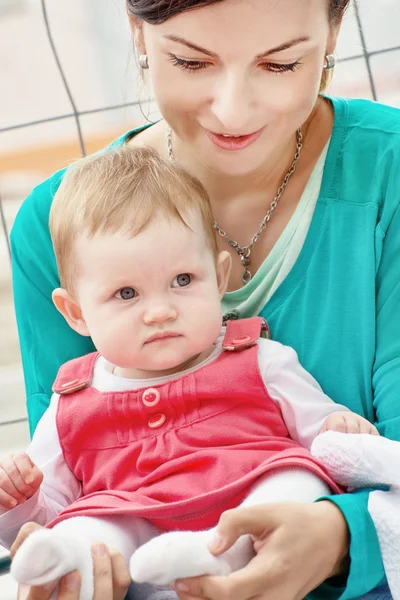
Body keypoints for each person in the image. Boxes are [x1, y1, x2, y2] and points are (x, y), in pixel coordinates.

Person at [9, 0, 400, 598]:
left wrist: (341, 537)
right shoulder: (55, 227)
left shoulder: (387, 176)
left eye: (281, 64)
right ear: (137, 30)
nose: (233, 110)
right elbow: (73, 488)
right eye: (192, 62)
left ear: (333, 32)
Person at [1, 146, 376, 600]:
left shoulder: (257, 357)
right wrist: (19, 503)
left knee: (297, 481)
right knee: (87, 525)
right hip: (135, 522)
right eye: (126, 293)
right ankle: (66, 562)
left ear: (219, 279)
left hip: (250, 494)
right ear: (76, 313)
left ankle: (221, 551)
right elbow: (52, 506)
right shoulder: (72, 399)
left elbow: (321, 431)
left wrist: (341, 429)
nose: (160, 311)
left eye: (182, 281)